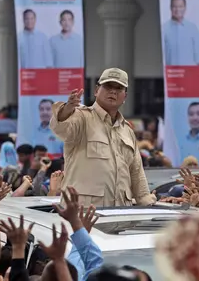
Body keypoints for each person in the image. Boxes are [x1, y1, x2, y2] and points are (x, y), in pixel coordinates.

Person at [50, 67, 156, 207]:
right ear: (96, 90)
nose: (113, 91)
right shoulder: (82, 117)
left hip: (121, 215)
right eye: (108, 86)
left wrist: (146, 201)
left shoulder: (127, 130)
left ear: (125, 96)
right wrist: (67, 109)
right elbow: (61, 128)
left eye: (119, 88)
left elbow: (136, 172)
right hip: (82, 214)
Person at [163, 0, 199, 66]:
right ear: (170, 8)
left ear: (185, 8)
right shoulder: (164, 29)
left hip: (190, 73)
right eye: (174, 6)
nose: (177, 9)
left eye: (180, 6)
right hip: (171, 74)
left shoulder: (192, 28)